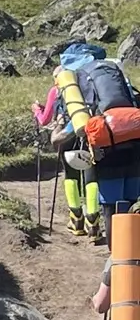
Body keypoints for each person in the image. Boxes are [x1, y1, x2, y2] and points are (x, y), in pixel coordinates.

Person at [34, 45, 102, 239]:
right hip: (91, 130)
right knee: (91, 176)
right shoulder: (93, 82)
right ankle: (93, 223)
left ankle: (76, 220)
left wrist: (36, 110)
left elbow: (44, 120)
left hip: (66, 132)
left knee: (71, 175)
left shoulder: (60, 88)